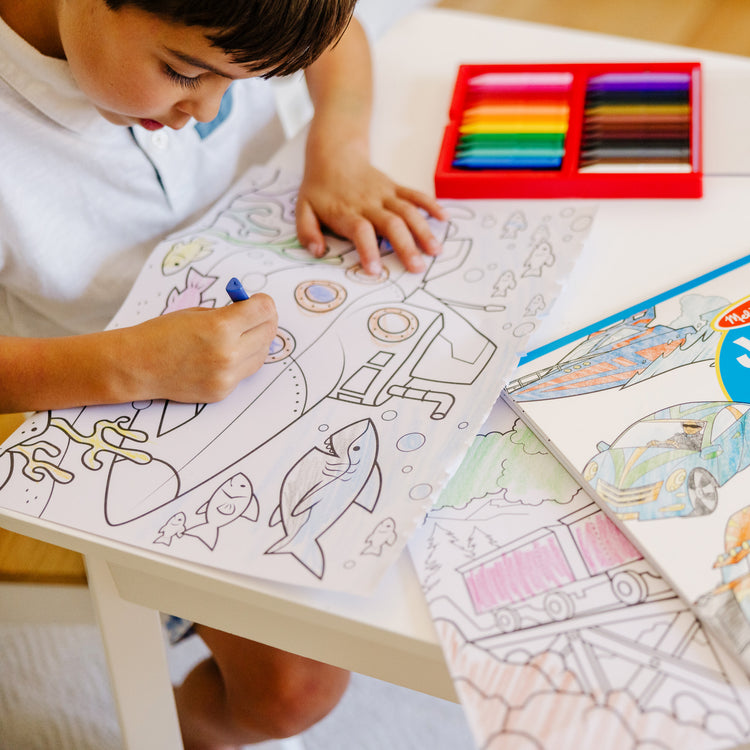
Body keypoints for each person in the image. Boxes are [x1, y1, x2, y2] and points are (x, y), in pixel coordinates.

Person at [0, 0, 446, 747]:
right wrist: (123, 366)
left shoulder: (228, 25)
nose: (207, 107)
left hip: (285, 328)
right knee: (293, 689)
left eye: (245, 81)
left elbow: (338, 40)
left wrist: (334, 145)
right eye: (185, 72)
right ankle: (196, 729)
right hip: (110, 419)